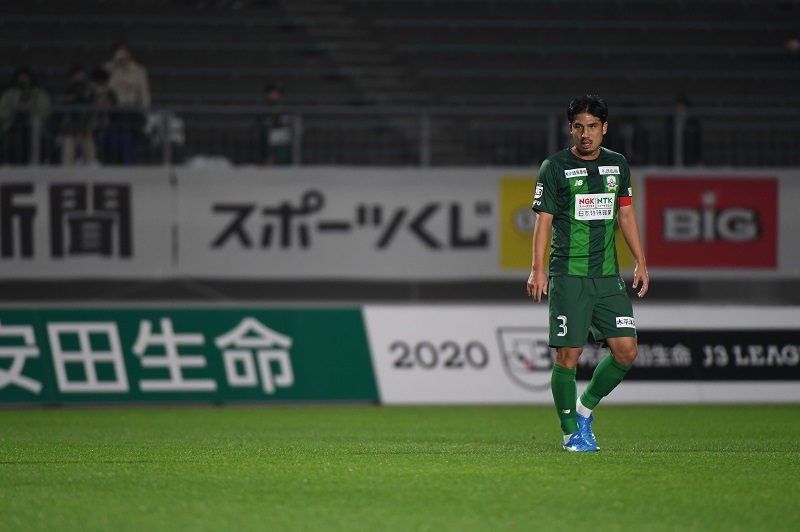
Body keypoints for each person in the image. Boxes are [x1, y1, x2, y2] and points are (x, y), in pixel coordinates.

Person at [526, 94, 649, 452]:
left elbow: (625, 214)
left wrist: (641, 261)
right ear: (570, 129)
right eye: (579, 127)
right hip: (569, 275)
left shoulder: (617, 164)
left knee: (626, 352)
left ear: (604, 128)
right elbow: (543, 222)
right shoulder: (554, 167)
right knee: (569, 356)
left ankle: (583, 410)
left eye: (593, 126)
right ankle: (570, 434)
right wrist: (537, 270)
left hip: (607, 276)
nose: (586, 134)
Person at [104, 42, 151, 163]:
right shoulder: (108, 69)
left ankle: (129, 162)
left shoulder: (139, 71)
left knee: (127, 133)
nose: (122, 56)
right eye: (119, 53)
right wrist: (116, 68)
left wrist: (146, 114)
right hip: (113, 111)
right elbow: (106, 88)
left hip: (131, 110)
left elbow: (144, 94)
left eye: (124, 53)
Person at [0, 66, 52, 165]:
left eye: (25, 78)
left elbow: (45, 110)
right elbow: (2, 110)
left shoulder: (39, 93)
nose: (23, 80)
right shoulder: (9, 93)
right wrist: (13, 111)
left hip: (33, 128)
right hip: (12, 127)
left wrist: (31, 112)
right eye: (21, 77)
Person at [55, 64, 97, 165]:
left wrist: (73, 99)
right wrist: (68, 99)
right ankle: (66, 171)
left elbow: (88, 101)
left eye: (81, 74)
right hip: (69, 127)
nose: (79, 76)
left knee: (88, 151)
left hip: (84, 126)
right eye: (77, 74)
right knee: (68, 150)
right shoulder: (67, 88)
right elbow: (60, 100)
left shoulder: (88, 88)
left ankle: (90, 169)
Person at [256, 81, 293, 165]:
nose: (274, 95)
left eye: (276, 93)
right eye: (272, 93)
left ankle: (282, 160)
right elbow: (260, 123)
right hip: (267, 140)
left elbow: (290, 122)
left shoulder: (286, 107)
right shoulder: (264, 108)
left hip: (283, 139)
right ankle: (269, 159)